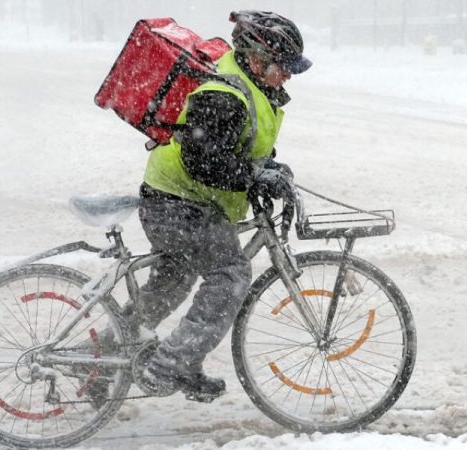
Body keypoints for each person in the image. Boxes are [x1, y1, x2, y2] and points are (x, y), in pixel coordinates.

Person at [126, 10, 312, 401]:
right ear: (259, 58)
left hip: (178, 200)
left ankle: (103, 356)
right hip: (178, 203)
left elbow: (238, 145)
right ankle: (169, 366)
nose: (289, 76)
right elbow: (203, 159)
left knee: (173, 280)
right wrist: (254, 177)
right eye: (285, 67)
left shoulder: (249, 86)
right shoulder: (224, 93)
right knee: (230, 274)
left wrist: (269, 169)